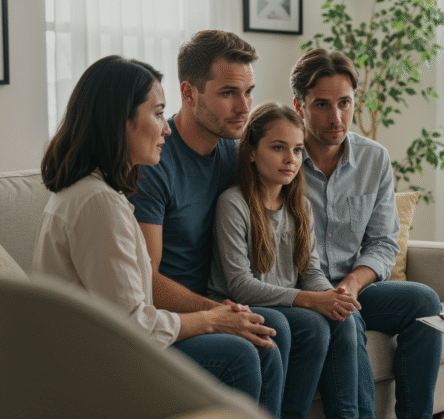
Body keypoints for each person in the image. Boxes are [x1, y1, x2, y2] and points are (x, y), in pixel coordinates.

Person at [32, 55, 284, 411]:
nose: (166, 128)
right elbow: (132, 326)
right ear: (121, 121)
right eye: (157, 113)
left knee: (260, 338)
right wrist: (211, 318)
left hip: (101, 347)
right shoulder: (97, 203)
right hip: (98, 363)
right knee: (241, 353)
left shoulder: (94, 192)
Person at [126, 30, 291, 418]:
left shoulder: (234, 153)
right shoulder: (154, 163)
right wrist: (219, 313)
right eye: (229, 93)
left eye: (248, 92)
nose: (244, 107)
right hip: (172, 320)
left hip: (221, 294)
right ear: (189, 93)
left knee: (281, 327)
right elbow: (147, 280)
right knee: (256, 339)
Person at [290, 49, 443, 419]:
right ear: (299, 106)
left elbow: (383, 241)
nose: (336, 117)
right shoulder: (282, 158)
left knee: (424, 302)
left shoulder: (374, 158)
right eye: (322, 105)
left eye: (344, 103)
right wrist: (328, 295)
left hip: (356, 286)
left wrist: (353, 284)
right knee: (345, 317)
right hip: (304, 290)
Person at [208, 102, 365, 419]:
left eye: (297, 149)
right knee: (312, 325)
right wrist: (311, 300)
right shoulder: (233, 203)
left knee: (343, 318)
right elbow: (240, 286)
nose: (290, 159)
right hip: (239, 302)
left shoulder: (300, 206)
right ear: (251, 152)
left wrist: (331, 296)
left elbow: (310, 271)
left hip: (283, 303)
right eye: (278, 148)